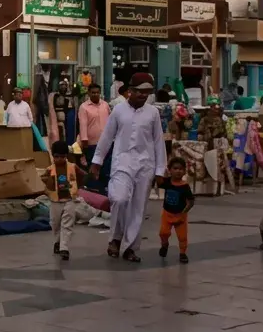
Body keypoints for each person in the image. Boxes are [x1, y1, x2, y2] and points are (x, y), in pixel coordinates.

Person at [90, 72, 165, 262]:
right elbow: (107, 136)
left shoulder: (153, 113)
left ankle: (130, 247)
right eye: (139, 92)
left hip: (145, 165)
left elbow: (158, 142)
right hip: (122, 161)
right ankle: (115, 238)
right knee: (119, 199)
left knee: (138, 207)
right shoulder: (118, 110)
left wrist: (159, 170)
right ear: (130, 91)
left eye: (147, 92)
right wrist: (97, 161)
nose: (143, 96)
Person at [43, 140, 82, 261]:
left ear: (67, 156)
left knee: (67, 224)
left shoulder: (72, 167)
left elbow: (82, 175)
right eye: (57, 156)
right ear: (53, 156)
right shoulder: (49, 170)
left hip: (69, 200)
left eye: (63, 156)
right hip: (55, 201)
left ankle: (64, 248)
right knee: (55, 223)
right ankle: (58, 242)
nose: (60, 159)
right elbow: (42, 181)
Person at [156, 156, 195, 263]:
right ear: (170, 170)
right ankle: (164, 245)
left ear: (184, 171)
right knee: (163, 233)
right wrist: (158, 169)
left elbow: (191, 202)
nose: (178, 171)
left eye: (181, 169)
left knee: (182, 237)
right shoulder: (167, 182)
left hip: (180, 216)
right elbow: (159, 182)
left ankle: (183, 253)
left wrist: (184, 212)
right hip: (167, 214)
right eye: (175, 168)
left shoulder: (185, 186)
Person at [77, 83, 110, 168]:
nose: (95, 94)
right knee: (93, 167)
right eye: (93, 92)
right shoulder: (84, 107)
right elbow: (83, 125)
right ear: (89, 93)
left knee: (106, 167)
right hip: (91, 144)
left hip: (106, 142)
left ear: (100, 93)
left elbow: (110, 121)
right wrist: (84, 142)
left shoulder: (105, 105)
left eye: (97, 92)